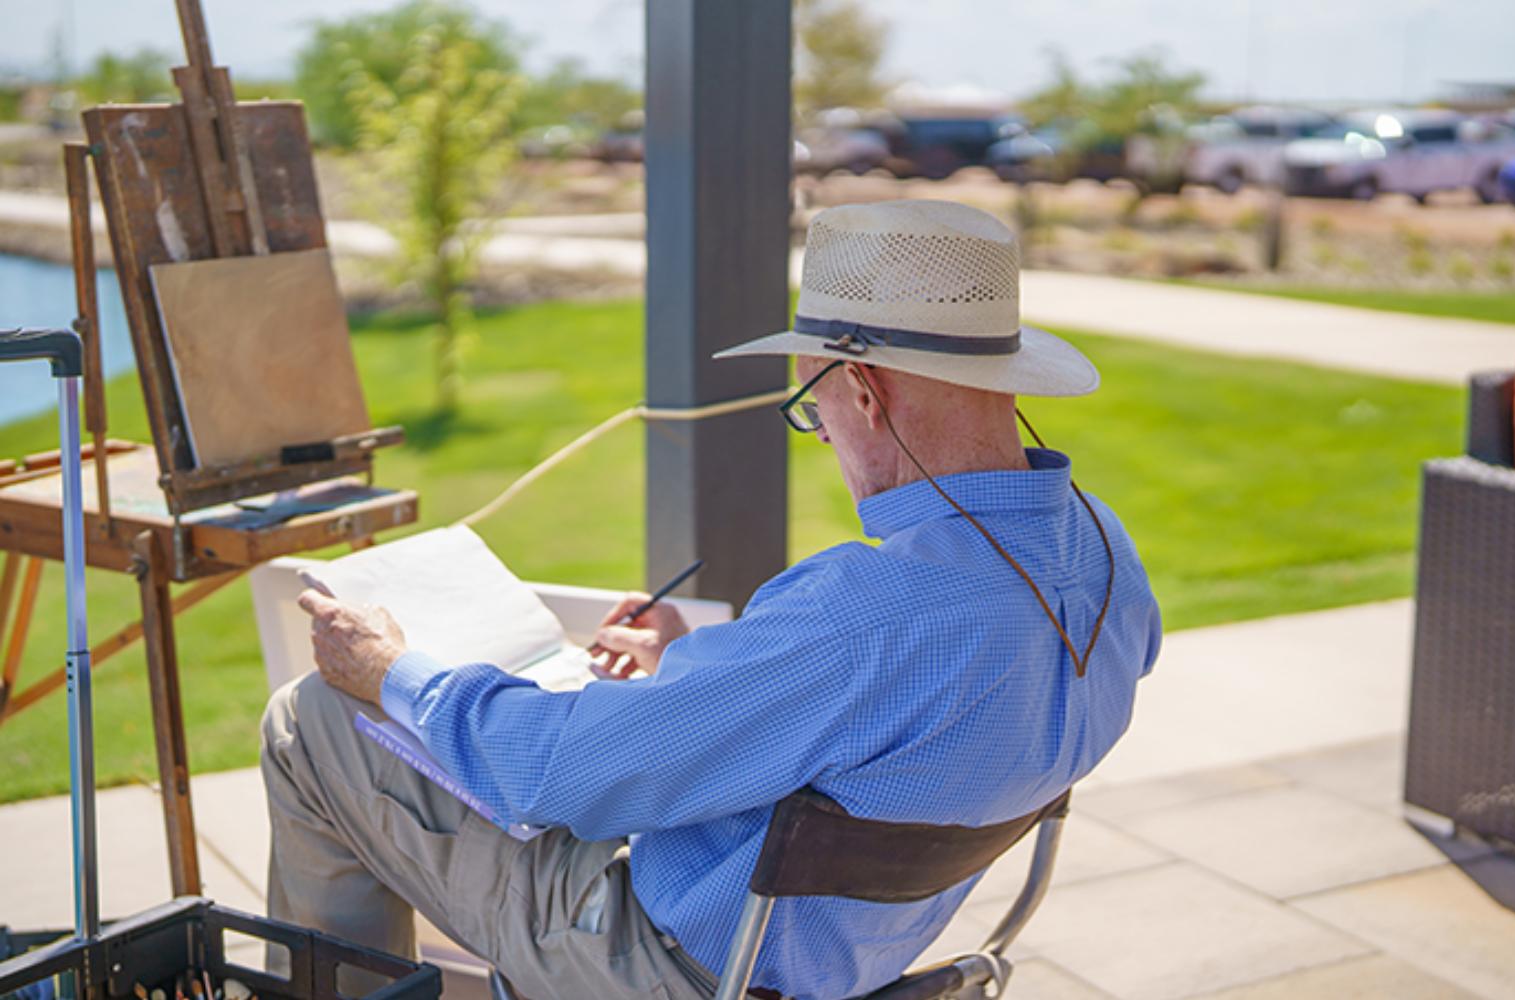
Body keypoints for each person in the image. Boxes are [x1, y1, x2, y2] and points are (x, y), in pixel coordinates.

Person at [263, 199, 1162, 1000]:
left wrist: (389, 670)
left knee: (313, 722)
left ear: (861, 387)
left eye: (812, 405)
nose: (821, 434)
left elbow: (552, 777)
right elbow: (902, 709)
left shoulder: (869, 608)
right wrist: (686, 668)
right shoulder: (1105, 553)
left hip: (674, 969)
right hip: (854, 954)